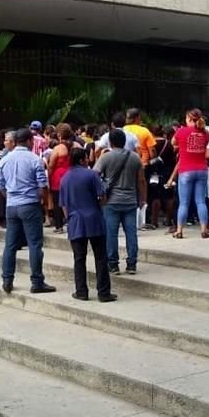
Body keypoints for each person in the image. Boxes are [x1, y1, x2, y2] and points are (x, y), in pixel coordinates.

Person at [0, 128, 54, 294]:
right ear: (29, 141)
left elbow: (0, 185)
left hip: (12, 205)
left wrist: (9, 197)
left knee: (10, 245)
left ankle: (7, 280)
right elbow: (42, 185)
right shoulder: (35, 159)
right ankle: (37, 281)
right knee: (35, 244)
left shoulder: (5, 160)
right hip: (30, 204)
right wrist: (42, 201)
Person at [60, 148, 115, 302]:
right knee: (100, 257)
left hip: (75, 220)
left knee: (79, 258)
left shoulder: (65, 178)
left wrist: (69, 219)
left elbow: (63, 204)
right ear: (82, 160)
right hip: (94, 219)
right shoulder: (91, 174)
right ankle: (103, 292)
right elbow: (102, 195)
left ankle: (81, 291)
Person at [94, 128, 145, 275]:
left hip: (111, 201)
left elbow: (95, 175)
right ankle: (131, 264)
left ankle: (113, 264)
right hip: (130, 200)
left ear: (110, 142)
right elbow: (141, 180)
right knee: (131, 233)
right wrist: (142, 198)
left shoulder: (106, 157)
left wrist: (101, 193)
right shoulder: (135, 157)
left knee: (111, 234)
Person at [168, 109, 209, 239]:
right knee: (200, 201)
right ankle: (204, 229)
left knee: (184, 203)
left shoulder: (181, 131)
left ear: (189, 119)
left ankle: (180, 230)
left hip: (186, 170)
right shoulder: (206, 133)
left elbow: (173, 143)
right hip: (202, 169)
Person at [46, 124, 75, 234]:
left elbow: (51, 165)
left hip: (58, 177)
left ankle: (59, 226)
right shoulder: (76, 146)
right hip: (72, 175)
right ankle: (72, 222)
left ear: (59, 135)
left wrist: (48, 176)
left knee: (58, 201)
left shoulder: (57, 148)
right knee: (71, 200)